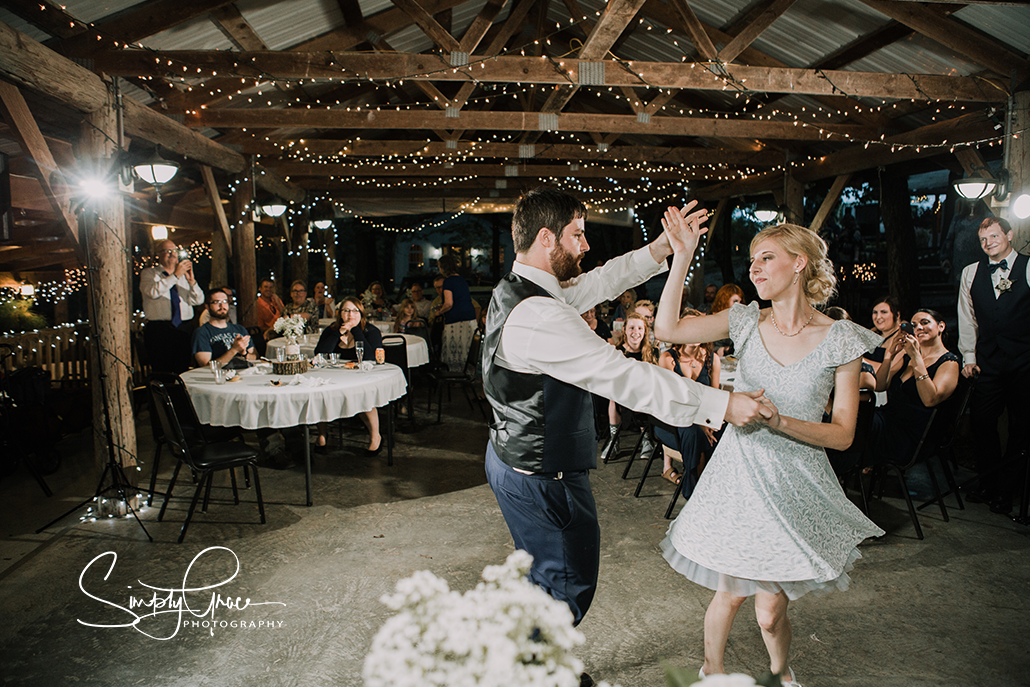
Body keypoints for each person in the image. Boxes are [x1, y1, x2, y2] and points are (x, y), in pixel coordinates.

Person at [482, 185, 770, 648]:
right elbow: (629, 379)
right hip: (541, 472)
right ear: (546, 239)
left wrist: (661, 249)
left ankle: (531, 655)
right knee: (567, 583)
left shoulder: (523, 288)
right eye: (578, 235)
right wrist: (723, 405)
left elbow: (600, 280)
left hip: (511, 456)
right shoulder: (538, 316)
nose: (587, 245)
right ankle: (532, 669)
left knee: (542, 574)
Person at [655, 218, 884, 686]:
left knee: (768, 611)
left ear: (799, 264)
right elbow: (667, 328)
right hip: (739, 476)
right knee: (729, 594)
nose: (754, 268)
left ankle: (781, 671)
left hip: (794, 483)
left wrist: (779, 421)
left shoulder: (842, 339)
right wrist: (681, 257)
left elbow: (842, 435)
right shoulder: (743, 320)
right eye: (753, 258)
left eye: (767, 258)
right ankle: (710, 672)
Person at [958, 217, 1030, 515]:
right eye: (983, 239)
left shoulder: (1028, 265)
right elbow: (967, 318)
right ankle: (989, 482)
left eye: (994, 236)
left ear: (1009, 235)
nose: (988, 243)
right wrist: (969, 358)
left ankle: (1007, 489)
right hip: (987, 361)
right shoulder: (970, 273)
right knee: (982, 423)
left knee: (1022, 427)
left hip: (1025, 361)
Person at [862, 309, 959, 469]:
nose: (919, 327)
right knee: (852, 416)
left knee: (857, 424)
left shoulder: (949, 362)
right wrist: (889, 356)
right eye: (914, 325)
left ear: (941, 326)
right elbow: (879, 386)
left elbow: (930, 399)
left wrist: (916, 357)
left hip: (909, 436)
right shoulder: (907, 357)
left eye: (925, 322)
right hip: (888, 421)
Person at [655, 309, 721, 494]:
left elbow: (714, 400)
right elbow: (672, 403)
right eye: (688, 328)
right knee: (693, 433)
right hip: (670, 422)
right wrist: (700, 423)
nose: (694, 332)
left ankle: (715, 483)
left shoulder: (712, 359)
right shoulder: (668, 359)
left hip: (701, 421)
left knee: (724, 431)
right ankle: (692, 490)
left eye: (698, 327)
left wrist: (707, 422)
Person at [314, 297, 384, 454]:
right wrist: (339, 333)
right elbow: (320, 353)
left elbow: (370, 356)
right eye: (346, 310)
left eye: (355, 310)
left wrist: (355, 331)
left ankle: (375, 437)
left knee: (364, 394)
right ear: (340, 314)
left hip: (360, 376)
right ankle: (322, 435)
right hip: (333, 375)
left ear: (361, 313)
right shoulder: (331, 330)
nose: (350, 314)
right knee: (319, 393)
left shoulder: (370, 331)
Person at [140, 240, 205, 374]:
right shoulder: (149, 274)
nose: (172, 254)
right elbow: (153, 292)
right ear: (158, 254)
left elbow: (198, 301)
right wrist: (175, 276)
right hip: (159, 329)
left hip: (184, 328)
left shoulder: (183, 276)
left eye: (174, 251)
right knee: (162, 370)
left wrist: (192, 283)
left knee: (183, 369)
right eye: (167, 251)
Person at [434, 254, 478, 371]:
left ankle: (455, 376)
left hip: (456, 321)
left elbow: (449, 303)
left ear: (443, 268)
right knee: (468, 351)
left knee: (455, 352)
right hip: (470, 319)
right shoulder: (462, 280)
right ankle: (468, 374)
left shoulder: (448, 281)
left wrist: (439, 312)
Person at [192, 291, 255, 368]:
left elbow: (255, 357)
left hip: (243, 374)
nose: (222, 305)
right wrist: (234, 350)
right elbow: (206, 366)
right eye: (216, 302)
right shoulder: (202, 333)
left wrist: (244, 353)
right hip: (218, 377)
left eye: (225, 301)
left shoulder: (240, 329)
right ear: (207, 307)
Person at [866, 296, 901, 370]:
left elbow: (889, 371)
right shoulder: (873, 335)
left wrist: (858, 360)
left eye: (884, 312)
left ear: (897, 315)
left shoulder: (900, 340)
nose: (878, 317)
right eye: (875, 312)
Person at [710, 284, 744, 357]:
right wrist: (720, 349)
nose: (739, 305)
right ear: (724, 301)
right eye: (735, 301)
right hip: (715, 360)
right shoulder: (712, 318)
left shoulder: (740, 320)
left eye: (740, 302)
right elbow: (706, 346)